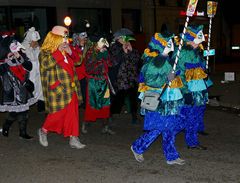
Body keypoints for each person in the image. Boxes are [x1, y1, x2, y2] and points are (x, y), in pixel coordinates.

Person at [130, 32, 185, 165]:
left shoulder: (166, 59)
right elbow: (150, 81)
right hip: (159, 99)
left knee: (170, 127)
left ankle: (171, 156)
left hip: (170, 99)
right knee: (158, 128)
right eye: (168, 43)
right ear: (161, 46)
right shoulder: (154, 62)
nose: (171, 45)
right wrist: (166, 78)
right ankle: (137, 147)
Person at [37, 25, 86, 149]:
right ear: (54, 38)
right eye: (63, 37)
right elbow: (45, 64)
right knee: (57, 114)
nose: (65, 40)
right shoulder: (45, 52)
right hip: (57, 89)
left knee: (73, 113)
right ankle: (43, 130)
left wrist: (71, 52)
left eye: (66, 37)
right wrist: (58, 52)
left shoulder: (67, 50)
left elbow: (79, 60)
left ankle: (73, 137)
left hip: (72, 87)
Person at [175, 24, 208, 150]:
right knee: (181, 118)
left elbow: (200, 70)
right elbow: (179, 74)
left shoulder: (196, 51)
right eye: (195, 41)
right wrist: (185, 91)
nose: (197, 43)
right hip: (187, 91)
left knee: (194, 117)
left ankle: (192, 142)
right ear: (189, 40)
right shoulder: (182, 53)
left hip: (198, 90)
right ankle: (166, 133)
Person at [0, 34, 36, 139]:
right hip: (12, 91)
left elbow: (29, 67)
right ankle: (7, 126)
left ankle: (22, 133)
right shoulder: (3, 61)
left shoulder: (21, 56)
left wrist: (19, 57)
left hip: (23, 89)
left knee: (24, 111)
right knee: (15, 112)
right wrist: (7, 60)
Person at [83, 34, 115, 135]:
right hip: (94, 82)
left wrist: (106, 56)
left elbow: (111, 64)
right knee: (92, 104)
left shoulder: (104, 50)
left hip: (104, 82)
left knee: (105, 104)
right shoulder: (90, 52)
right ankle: (85, 123)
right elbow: (89, 68)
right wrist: (98, 56)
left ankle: (105, 126)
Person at [109, 28, 142, 124]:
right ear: (118, 38)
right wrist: (123, 51)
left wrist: (131, 51)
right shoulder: (114, 48)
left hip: (131, 77)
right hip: (121, 78)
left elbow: (137, 60)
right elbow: (114, 62)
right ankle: (110, 114)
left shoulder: (130, 46)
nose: (126, 40)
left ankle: (134, 116)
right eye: (123, 38)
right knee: (118, 98)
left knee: (133, 98)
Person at [22, 27, 45, 112]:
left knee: (40, 88)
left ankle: (41, 106)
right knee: (31, 89)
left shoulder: (37, 45)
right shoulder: (23, 46)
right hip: (30, 72)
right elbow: (27, 58)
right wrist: (31, 47)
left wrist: (37, 48)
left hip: (38, 71)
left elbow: (39, 55)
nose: (36, 42)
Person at [71, 25, 93, 112]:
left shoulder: (88, 46)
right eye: (82, 37)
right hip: (75, 75)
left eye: (85, 37)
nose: (84, 39)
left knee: (85, 94)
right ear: (77, 37)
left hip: (85, 74)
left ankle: (85, 109)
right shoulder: (72, 47)